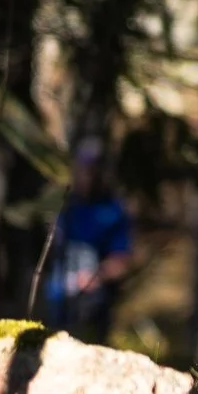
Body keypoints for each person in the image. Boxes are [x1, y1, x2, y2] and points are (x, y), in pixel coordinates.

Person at [42, 138, 134, 340]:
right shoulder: (62, 205)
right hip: (55, 302)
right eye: (83, 168)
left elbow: (121, 260)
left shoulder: (113, 210)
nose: (88, 175)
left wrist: (96, 277)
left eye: (94, 169)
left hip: (92, 307)